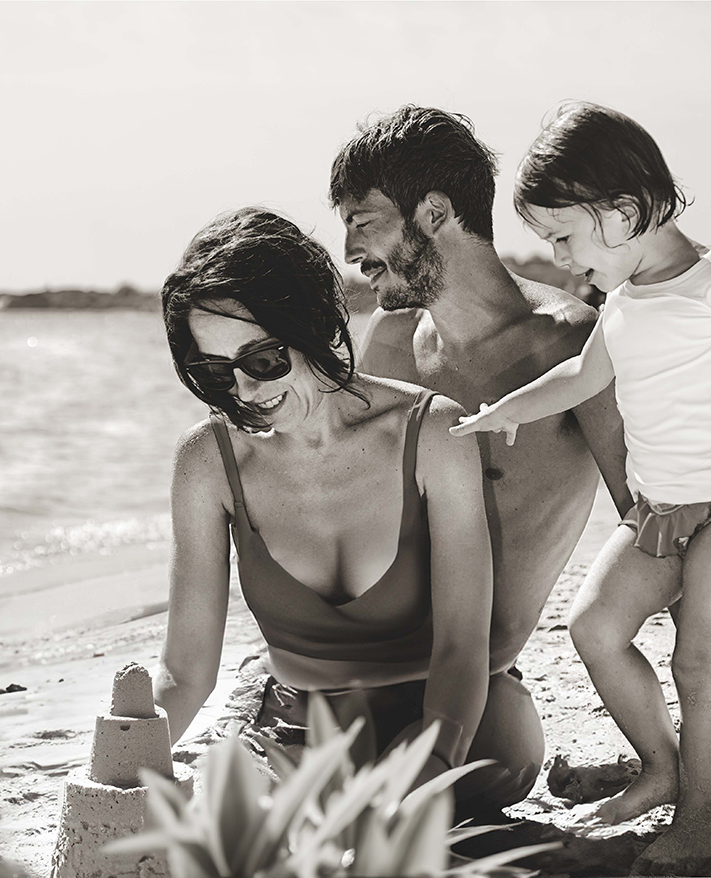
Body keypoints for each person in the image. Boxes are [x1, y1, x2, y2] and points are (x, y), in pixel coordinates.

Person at [330, 105, 711, 814]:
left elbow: (664, 523)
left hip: (478, 680)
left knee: (461, 774)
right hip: (374, 660)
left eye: (363, 221)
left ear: (432, 212)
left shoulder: (572, 345)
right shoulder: (388, 344)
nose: (350, 248)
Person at [152, 207, 508, 795]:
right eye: (216, 373)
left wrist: (432, 767)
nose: (246, 392)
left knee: (490, 772)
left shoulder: (429, 434)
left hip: (450, 703)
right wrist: (118, 771)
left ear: (313, 321)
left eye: (263, 361)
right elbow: (184, 671)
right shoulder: (208, 462)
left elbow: (462, 647)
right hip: (298, 717)